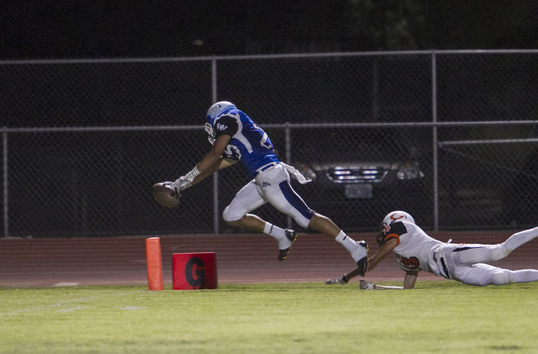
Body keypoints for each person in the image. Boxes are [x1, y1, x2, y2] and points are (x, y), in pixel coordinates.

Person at [167, 101, 368, 271]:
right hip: (261, 179)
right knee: (231, 215)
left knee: (305, 217)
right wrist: (181, 185)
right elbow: (214, 166)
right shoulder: (238, 135)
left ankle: (355, 247)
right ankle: (282, 235)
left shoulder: (229, 117)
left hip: (271, 176)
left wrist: (187, 175)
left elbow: (213, 154)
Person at [326, 210, 538, 290]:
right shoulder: (402, 258)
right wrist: (377, 288)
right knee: (503, 279)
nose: (383, 232)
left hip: (449, 253)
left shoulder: (402, 228)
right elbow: (408, 290)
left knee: (499, 252)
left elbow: (373, 261)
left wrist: (347, 277)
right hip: (457, 274)